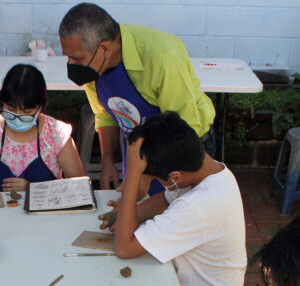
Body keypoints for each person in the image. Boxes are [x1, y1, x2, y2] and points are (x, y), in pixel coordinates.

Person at [108, 111, 245, 286]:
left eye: (152, 178)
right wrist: (126, 213)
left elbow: (124, 248)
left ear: (175, 178)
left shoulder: (199, 206)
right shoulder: (213, 172)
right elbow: (166, 200)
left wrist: (132, 174)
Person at [59, 3, 216, 193]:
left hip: (183, 151)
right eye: (67, 57)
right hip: (139, 153)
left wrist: (143, 177)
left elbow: (183, 126)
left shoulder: (162, 57)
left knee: (173, 214)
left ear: (104, 49)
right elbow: (105, 115)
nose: (71, 64)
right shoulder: (94, 65)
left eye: (77, 59)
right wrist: (107, 161)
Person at [0, 63, 85, 193]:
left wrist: (35, 190)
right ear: (2, 103)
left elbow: (80, 186)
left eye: (27, 113)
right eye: (10, 110)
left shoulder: (56, 134)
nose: (17, 118)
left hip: (47, 216)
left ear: (41, 107)